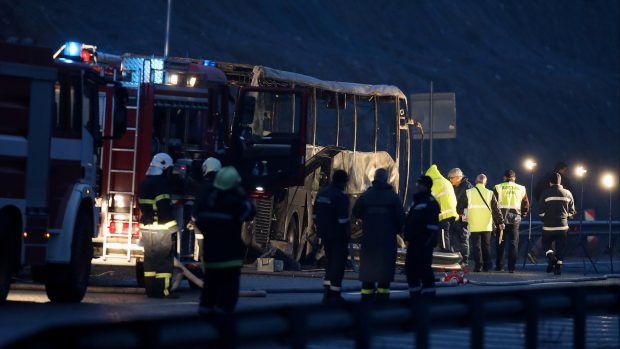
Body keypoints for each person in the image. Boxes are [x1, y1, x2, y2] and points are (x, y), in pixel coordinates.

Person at [194, 166, 255, 314]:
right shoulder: (236, 202)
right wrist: (242, 194)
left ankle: (204, 325)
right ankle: (223, 329)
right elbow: (250, 212)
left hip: (211, 258)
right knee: (226, 300)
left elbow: (198, 218)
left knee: (208, 295)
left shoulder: (207, 201)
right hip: (230, 259)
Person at [352, 168, 405, 303]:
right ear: (386, 179)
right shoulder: (393, 197)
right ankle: (383, 301)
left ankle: (366, 300)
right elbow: (401, 220)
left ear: (375, 178)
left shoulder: (366, 195)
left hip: (369, 240)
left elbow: (356, 212)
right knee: (384, 273)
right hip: (387, 242)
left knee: (368, 272)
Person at [138, 153, 180, 298]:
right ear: (164, 167)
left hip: (146, 228)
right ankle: (163, 291)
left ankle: (151, 291)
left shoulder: (145, 182)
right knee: (163, 262)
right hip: (161, 230)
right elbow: (163, 209)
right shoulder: (161, 184)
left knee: (150, 261)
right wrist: (174, 228)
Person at [313, 170, 351, 304]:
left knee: (329, 263)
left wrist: (320, 230)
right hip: (337, 235)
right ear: (343, 182)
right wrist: (347, 233)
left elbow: (315, 215)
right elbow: (343, 220)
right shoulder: (341, 196)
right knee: (338, 264)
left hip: (324, 233)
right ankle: (334, 294)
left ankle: (326, 292)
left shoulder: (322, 193)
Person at [458, 174, 504, 272]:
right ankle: (487, 266)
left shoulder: (468, 192)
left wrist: (464, 215)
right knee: (486, 245)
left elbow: (460, 208)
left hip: (474, 223)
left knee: (476, 246)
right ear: (485, 182)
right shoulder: (490, 193)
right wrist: (500, 222)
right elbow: (496, 209)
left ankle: (478, 266)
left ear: (476, 181)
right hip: (486, 224)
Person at [529, 162, 573, 264]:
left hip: (549, 219)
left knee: (548, 240)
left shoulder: (545, 181)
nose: (566, 173)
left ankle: (550, 259)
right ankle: (555, 264)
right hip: (562, 221)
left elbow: (536, 192)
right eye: (565, 170)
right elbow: (572, 200)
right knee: (559, 245)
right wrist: (568, 216)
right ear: (561, 170)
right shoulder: (564, 184)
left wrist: (544, 211)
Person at [404, 176, 440, 297]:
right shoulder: (417, 201)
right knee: (411, 270)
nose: (417, 186)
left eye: (420, 184)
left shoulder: (430, 202)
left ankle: (428, 298)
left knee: (424, 270)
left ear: (426, 186)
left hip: (423, 243)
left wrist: (427, 242)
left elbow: (432, 227)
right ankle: (415, 297)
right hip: (414, 242)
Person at [538, 172, 576, 275]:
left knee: (545, 245)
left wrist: (544, 219)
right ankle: (557, 268)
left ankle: (551, 258)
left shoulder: (545, 193)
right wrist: (566, 217)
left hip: (548, 227)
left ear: (550, 182)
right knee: (560, 248)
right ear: (560, 182)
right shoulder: (568, 193)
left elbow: (541, 211)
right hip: (563, 227)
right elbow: (572, 212)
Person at [493, 170, 530, 272]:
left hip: (501, 221)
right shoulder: (521, 188)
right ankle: (512, 267)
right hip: (515, 220)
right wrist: (522, 215)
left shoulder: (498, 187)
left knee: (500, 243)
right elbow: (526, 204)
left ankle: (500, 266)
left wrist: (496, 218)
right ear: (514, 178)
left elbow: (493, 204)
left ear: (504, 177)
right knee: (513, 244)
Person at [425, 165, 459, 253]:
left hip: (445, 213)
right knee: (446, 234)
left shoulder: (436, 182)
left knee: (443, 233)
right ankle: (447, 249)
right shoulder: (446, 182)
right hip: (451, 213)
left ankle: (445, 251)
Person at [447, 168, 473, 266]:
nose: (450, 180)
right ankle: (456, 260)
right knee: (454, 238)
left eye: (451, 178)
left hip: (463, 217)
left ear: (458, 177)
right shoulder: (452, 186)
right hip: (454, 216)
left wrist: (464, 215)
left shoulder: (468, 187)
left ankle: (464, 261)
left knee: (464, 238)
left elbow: (471, 203)